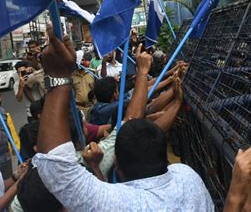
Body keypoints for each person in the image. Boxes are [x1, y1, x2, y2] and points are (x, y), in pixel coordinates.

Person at [32, 24, 214, 211]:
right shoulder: (188, 177)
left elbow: (56, 169)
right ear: (164, 154)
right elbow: (134, 118)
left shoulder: (121, 204)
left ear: (116, 164)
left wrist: (58, 76)